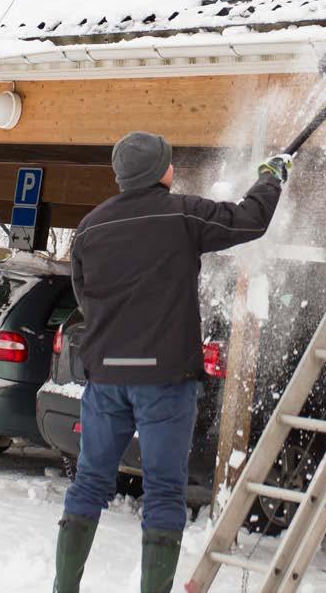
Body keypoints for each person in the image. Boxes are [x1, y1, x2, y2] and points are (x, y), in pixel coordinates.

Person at [53, 131, 292, 593]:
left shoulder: (90, 227)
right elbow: (248, 221)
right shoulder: (182, 214)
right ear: (157, 171)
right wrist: (271, 179)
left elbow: (84, 297)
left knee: (88, 484)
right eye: (169, 160)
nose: (173, 166)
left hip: (104, 379)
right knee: (163, 490)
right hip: (164, 379)